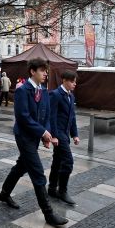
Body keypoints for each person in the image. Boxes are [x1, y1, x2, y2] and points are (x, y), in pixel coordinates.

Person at [0, 58, 68, 226]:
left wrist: (47, 134)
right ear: (32, 71)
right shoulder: (23, 90)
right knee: (37, 173)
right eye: (42, 71)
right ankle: (48, 214)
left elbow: (47, 115)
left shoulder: (43, 91)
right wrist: (42, 132)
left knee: (21, 165)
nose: (45, 74)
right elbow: (23, 117)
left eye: (46, 71)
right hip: (23, 136)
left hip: (36, 136)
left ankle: (4, 192)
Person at [47, 70, 80, 205]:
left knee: (58, 162)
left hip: (65, 134)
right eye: (72, 81)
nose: (74, 84)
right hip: (58, 134)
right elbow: (52, 117)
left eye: (75, 82)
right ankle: (62, 191)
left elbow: (72, 117)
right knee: (68, 162)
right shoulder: (55, 94)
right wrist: (53, 136)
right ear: (64, 81)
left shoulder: (70, 96)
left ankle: (52, 188)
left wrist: (75, 134)